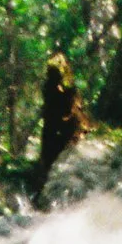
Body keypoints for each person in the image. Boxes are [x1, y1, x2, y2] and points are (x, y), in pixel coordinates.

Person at [33, 51, 85, 204]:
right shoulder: (51, 87)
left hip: (62, 130)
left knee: (53, 162)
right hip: (53, 129)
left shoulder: (67, 88)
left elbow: (71, 109)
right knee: (49, 162)